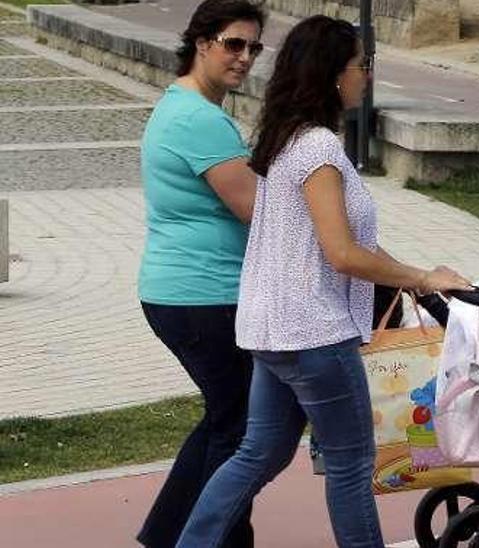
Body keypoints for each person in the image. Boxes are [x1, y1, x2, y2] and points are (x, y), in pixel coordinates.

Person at [175, 15, 472, 548]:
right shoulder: (317, 150)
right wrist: (423, 276)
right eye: (363, 65)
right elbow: (342, 254)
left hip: (273, 332)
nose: (367, 76)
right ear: (335, 75)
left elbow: (345, 243)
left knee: (258, 454)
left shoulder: (287, 140)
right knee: (351, 465)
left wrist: (416, 278)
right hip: (314, 334)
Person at [135, 1, 265, 546]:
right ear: (202, 42)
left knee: (228, 419)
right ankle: (210, 537)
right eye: (234, 44)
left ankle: (173, 534)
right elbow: (259, 211)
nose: (244, 58)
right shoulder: (197, 118)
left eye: (254, 48)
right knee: (240, 428)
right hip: (204, 296)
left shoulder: (187, 107)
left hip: (190, 292)